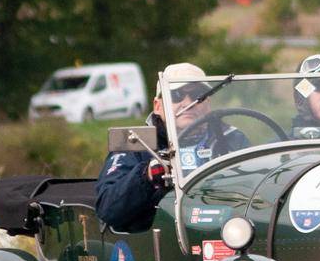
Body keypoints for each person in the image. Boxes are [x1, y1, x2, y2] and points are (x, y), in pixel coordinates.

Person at [95, 62, 250, 231]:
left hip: (230, 234)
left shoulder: (232, 139)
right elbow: (107, 209)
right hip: (162, 239)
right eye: (176, 95)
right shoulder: (136, 144)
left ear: (208, 103)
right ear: (158, 106)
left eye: (198, 95)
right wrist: (147, 175)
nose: (188, 102)